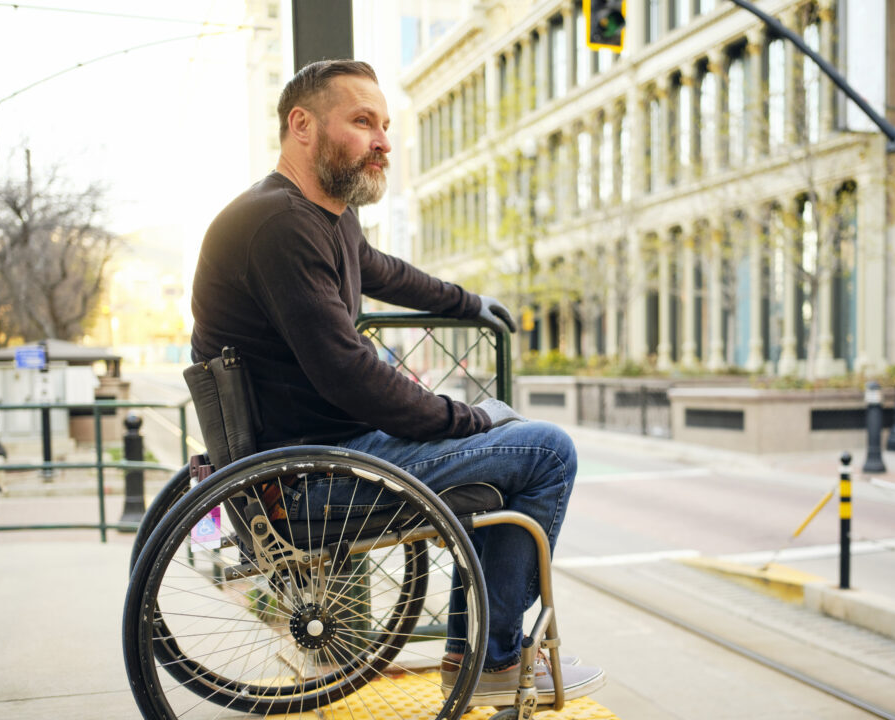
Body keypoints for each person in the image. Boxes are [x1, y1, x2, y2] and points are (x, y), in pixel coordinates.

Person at [190, 59, 605, 708]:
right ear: (301, 125)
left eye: (386, 126)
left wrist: (468, 302)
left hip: (318, 458)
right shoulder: (280, 225)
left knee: (507, 443)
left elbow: (385, 271)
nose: (384, 140)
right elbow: (347, 375)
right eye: (362, 122)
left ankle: (477, 651)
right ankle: (492, 656)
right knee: (547, 451)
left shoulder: (323, 214)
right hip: (305, 481)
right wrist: (464, 418)